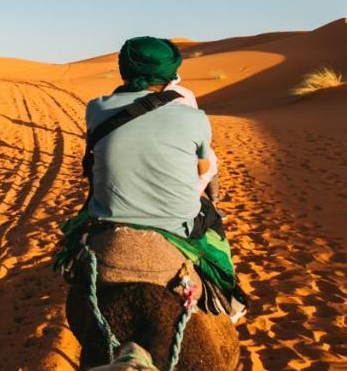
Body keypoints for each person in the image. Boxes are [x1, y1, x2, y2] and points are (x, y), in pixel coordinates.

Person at [57, 36, 247, 320]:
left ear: (124, 70)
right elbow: (203, 167)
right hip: (177, 223)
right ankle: (228, 299)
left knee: (75, 237)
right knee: (213, 220)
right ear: (171, 75)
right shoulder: (194, 117)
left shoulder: (96, 109)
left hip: (109, 217)